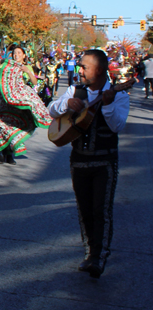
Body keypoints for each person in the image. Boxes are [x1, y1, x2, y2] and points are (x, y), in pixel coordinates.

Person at [48, 50, 130, 279]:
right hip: (79, 159)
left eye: (84, 67)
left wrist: (108, 105)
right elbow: (51, 110)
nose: (79, 70)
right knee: (84, 209)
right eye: (80, 66)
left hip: (105, 160)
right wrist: (66, 105)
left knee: (100, 209)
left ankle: (99, 256)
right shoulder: (76, 89)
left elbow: (117, 126)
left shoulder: (118, 95)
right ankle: (89, 252)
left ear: (100, 71)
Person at [0, 46, 49, 165]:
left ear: (24, 55)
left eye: (19, 53)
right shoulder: (6, 66)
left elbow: (34, 83)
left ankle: (9, 153)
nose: (16, 55)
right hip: (5, 99)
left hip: (19, 101)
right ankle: (2, 152)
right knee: (3, 123)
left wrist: (28, 71)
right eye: (14, 53)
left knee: (14, 124)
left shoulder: (27, 67)